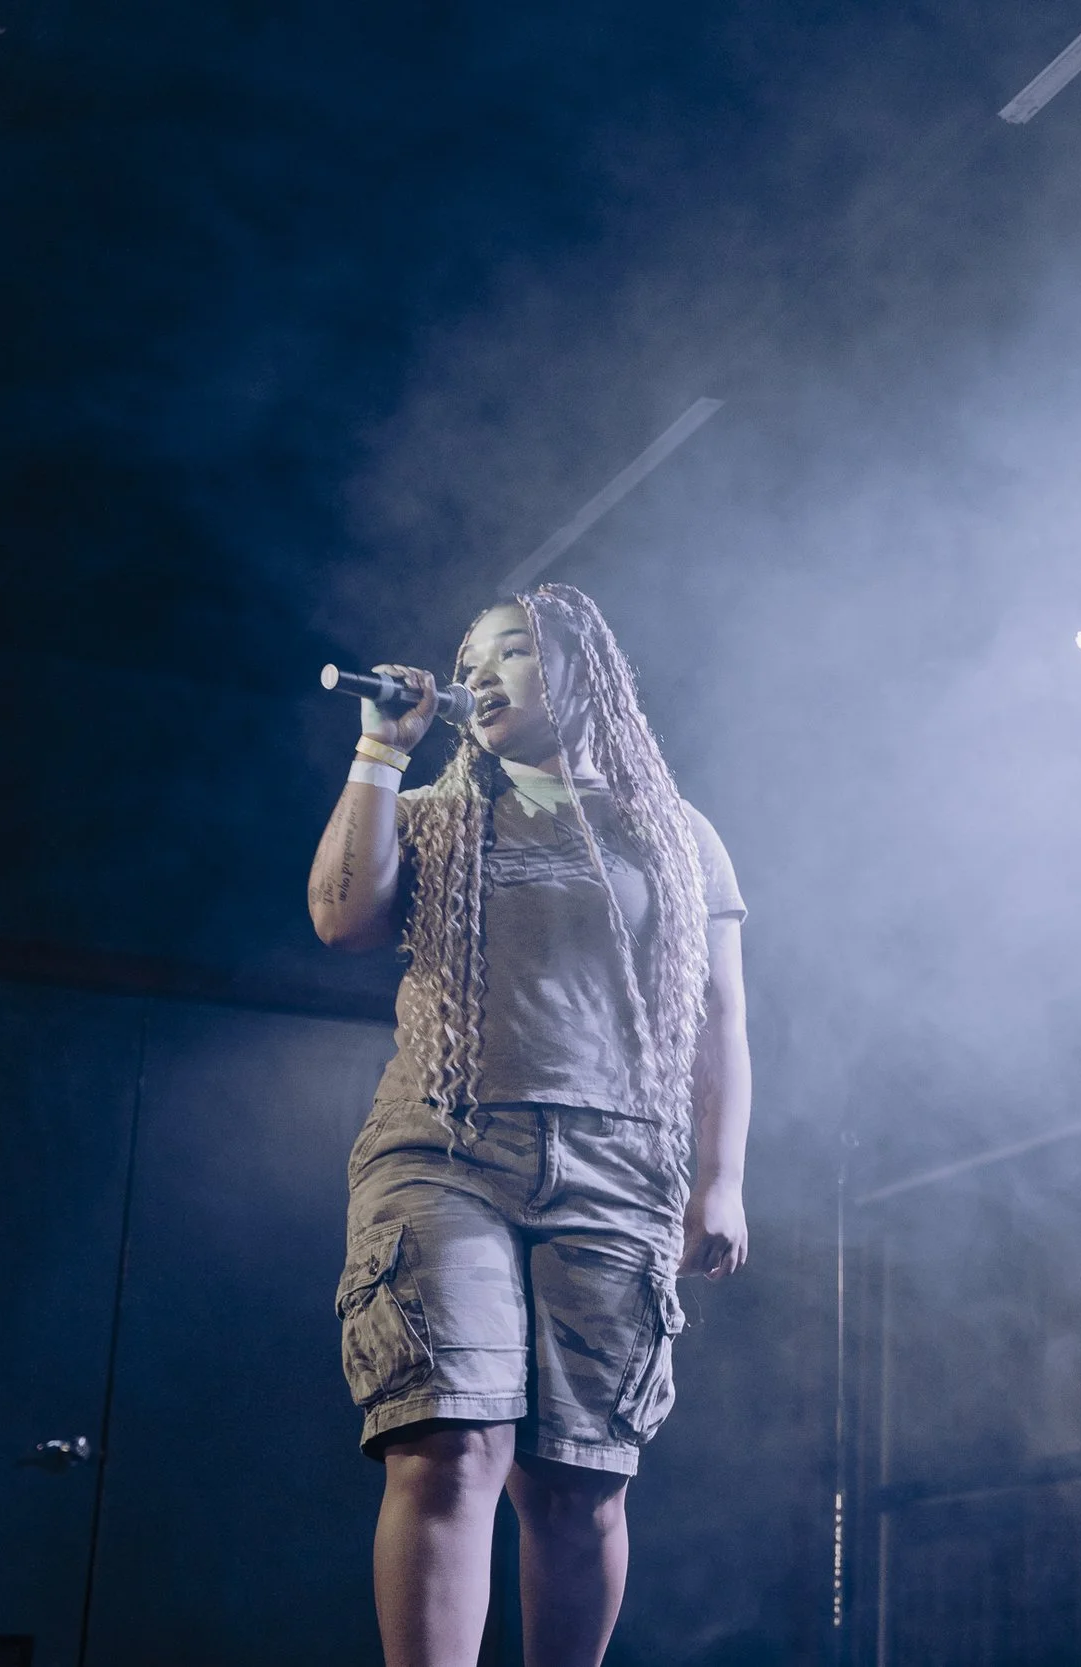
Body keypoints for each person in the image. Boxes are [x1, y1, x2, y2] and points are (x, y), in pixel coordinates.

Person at [306, 584, 752, 1667]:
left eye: (513, 648)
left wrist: (721, 1176)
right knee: (448, 1441)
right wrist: (380, 753)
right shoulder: (436, 808)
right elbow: (341, 915)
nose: (486, 668)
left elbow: (721, 1014)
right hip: (445, 1147)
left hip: (619, 1163)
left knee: (578, 1481)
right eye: (474, 653)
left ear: (584, 672)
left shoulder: (677, 832)